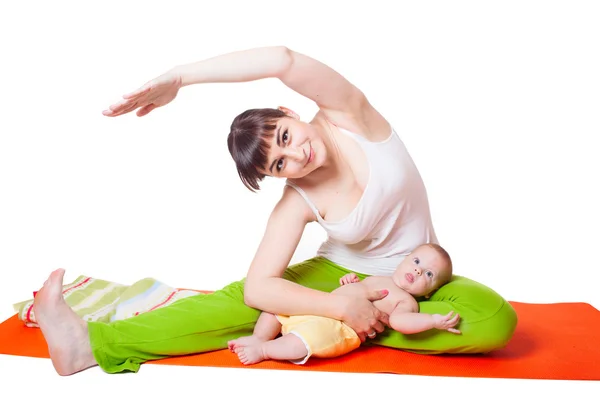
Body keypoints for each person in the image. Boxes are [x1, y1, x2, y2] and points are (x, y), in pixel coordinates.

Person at [32, 46, 517, 376]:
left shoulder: (351, 117)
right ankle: (89, 345)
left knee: (493, 320)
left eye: (286, 137)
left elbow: (282, 58)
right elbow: (261, 286)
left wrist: (180, 76)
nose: (296, 157)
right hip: (343, 279)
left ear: (289, 113)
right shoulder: (298, 199)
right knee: (240, 304)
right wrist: (337, 305)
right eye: (279, 164)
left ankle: (341, 329)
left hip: (416, 283)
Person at [228, 243, 459, 365]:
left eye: (428, 274)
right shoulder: (382, 279)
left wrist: (431, 321)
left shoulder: (406, 301)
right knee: (277, 306)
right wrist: (351, 282)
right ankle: (260, 337)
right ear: (404, 260)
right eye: (416, 261)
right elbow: (355, 290)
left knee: (304, 342)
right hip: (324, 307)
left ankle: (264, 350)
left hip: (339, 329)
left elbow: (400, 322)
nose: (418, 270)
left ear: (431, 292)